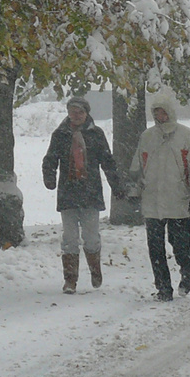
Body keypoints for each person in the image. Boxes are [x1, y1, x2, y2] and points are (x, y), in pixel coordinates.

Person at [126, 99, 190, 301]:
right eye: (156, 113)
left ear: (170, 113)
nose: (160, 117)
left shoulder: (186, 135)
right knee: (155, 248)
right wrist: (134, 191)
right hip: (152, 201)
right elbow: (138, 166)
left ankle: (187, 273)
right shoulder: (147, 137)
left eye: (163, 113)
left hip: (178, 199)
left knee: (180, 244)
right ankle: (163, 288)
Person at [41, 95, 122, 294]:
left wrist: (117, 185)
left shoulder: (96, 134)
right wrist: (49, 176)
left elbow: (107, 161)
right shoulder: (60, 134)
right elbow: (50, 159)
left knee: (91, 237)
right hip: (68, 192)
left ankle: (95, 270)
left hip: (90, 192)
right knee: (69, 238)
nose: (76, 116)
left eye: (80, 112)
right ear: (68, 114)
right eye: (72, 112)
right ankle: (70, 280)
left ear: (87, 114)